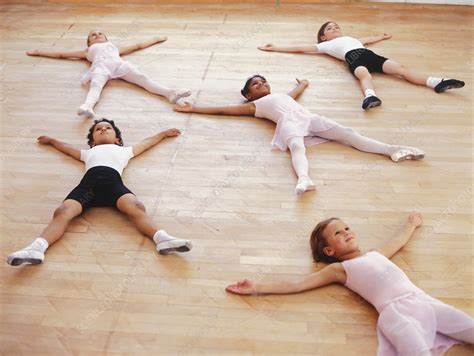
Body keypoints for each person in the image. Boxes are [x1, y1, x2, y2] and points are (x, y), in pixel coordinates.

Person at [226, 212, 474, 355]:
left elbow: (398, 242)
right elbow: (298, 284)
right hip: (396, 314)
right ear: (329, 250)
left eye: (346, 227)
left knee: (469, 327)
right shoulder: (339, 270)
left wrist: (411, 224)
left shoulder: (376, 254)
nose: (346, 232)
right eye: (338, 234)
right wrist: (257, 287)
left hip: (422, 301)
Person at [174, 75, 424, 194]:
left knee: (348, 134)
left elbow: (294, 94)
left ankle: (392, 149)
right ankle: (304, 179)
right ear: (249, 95)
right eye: (256, 84)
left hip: (308, 116)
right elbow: (222, 110)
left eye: (264, 81)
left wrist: (303, 84)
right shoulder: (255, 106)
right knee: (297, 147)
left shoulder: (281, 95)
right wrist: (192, 109)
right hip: (288, 123)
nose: (262, 84)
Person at [6, 118, 192, 266]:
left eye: (108, 128)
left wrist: (164, 133)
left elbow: (147, 142)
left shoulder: (125, 151)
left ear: (117, 140)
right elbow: (66, 148)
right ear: (93, 142)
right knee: (62, 211)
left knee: (136, 206)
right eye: (98, 129)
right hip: (88, 187)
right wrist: (52, 141)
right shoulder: (88, 153)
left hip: (113, 185)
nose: (103, 129)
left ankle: (162, 239)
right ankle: (36, 248)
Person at [258, 21, 465, 110]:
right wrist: (276, 47)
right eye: (330, 28)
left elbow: (367, 40)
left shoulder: (351, 37)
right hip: (354, 58)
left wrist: (380, 36)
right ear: (323, 36)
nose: (335, 28)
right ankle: (370, 96)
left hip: (370, 54)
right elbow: (300, 48)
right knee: (365, 76)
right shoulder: (325, 46)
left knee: (401, 69)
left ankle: (436, 82)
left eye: (336, 26)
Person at [27, 30, 191, 118]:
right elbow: (63, 54)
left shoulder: (113, 48)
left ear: (106, 38)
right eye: (93, 35)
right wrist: (39, 52)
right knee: (96, 86)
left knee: (142, 78)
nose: (97, 34)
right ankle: (87, 106)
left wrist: (156, 39)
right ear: (89, 43)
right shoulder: (87, 51)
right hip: (100, 68)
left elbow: (138, 45)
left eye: (100, 33)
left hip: (118, 65)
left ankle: (170, 93)